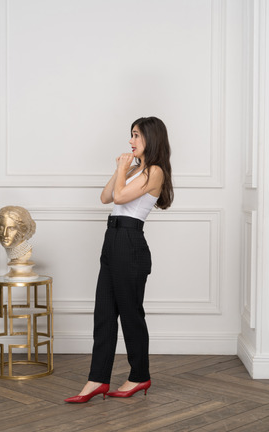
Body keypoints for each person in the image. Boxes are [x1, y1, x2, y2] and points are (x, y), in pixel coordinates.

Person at [65, 116, 174, 403]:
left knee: (130, 315)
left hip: (130, 243)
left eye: (136, 135)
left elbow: (121, 198)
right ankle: (96, 380)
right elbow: (105, 197)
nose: (131, 141)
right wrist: (121, 169)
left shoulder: (156, 172)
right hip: (112, 240)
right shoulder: (137, 169)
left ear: (151, 138)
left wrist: (124, 168)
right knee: (103, 314)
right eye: (131, 135)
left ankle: (139, 375)